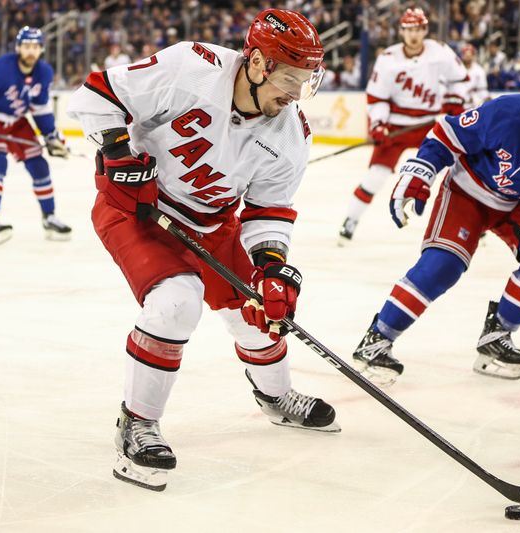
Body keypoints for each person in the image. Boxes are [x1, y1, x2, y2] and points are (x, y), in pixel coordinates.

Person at [67, 9, 339, 492]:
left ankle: (277, 398)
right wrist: (116, 151)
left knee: (259, 311)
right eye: (290, 79)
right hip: (138, 208)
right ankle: (137, 423)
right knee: (177, 302)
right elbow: (97, 93)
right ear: (257, 62)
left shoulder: (291, 131)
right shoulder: (189, 69)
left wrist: (271, 269)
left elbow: (268, 210)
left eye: (306, 81)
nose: (297, 94)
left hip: (212, 222)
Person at [351, 68, 520, 387]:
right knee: (443, 265)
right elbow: (446, 135)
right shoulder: (507, 112)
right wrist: (421, 172)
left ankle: (498, 334)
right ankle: (377, 338)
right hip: (470, 192)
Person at [338, 8, 469, 245]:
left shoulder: (440, 52)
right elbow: (377, 98)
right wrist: (378, 124)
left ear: (425, 30)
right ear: (401, 31)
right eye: (409, 29)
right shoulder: (388, 59)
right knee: (376, 176)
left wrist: (453, 104)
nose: (414, 35)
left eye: (418, 29)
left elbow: (459, 79)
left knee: (463, 167)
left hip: (430, 124)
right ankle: (351, 220)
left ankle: (473, 224)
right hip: (397, 125)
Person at [0, 26, 72, 249]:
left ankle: (49, 218)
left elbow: (40, 109)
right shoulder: (0, 68)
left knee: (39, 165)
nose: (30, 51)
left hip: (18, 122)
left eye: (35, 47)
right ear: (19, 47)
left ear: (41, 49)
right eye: (26, 46)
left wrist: (51, 136)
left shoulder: (44, 72)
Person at [460, 43, 489, 109]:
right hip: (459, 101)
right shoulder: (457, 69)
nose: (468, 57)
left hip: (473, 103)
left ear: (473, 56)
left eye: (470, 55)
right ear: (462, 55)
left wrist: (486, 98)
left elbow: (482, 90)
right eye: (465, 55)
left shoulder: (479, 70)